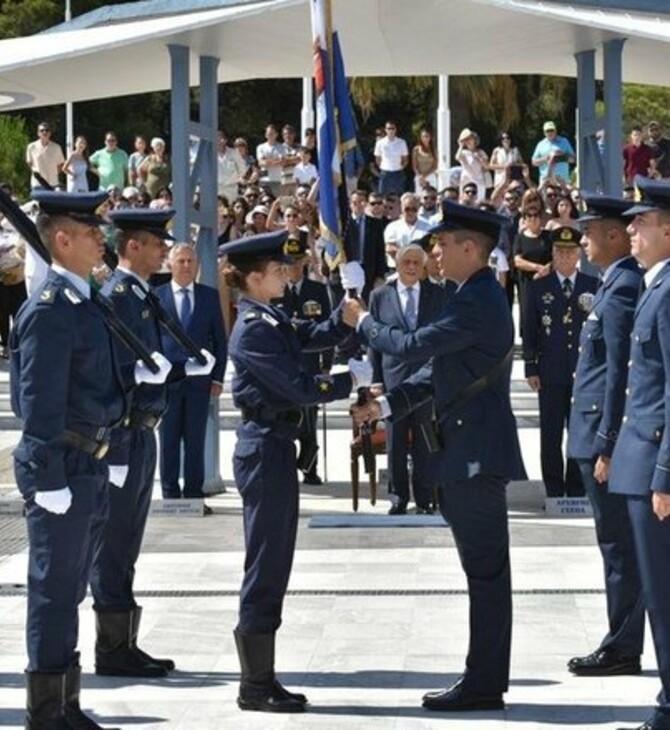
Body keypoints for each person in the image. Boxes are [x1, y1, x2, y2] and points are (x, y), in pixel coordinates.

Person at [344, 200, 526, 712]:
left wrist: (363, 323)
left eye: (443, 244)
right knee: (484, 571)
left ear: (472, 247)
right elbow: (440, 374)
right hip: (466, 447)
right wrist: (384, 404)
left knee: (487, 572)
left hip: (475, 453)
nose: (435, 253)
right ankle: (484, 677)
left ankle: (484, 682)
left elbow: (412, 347)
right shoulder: (470, 295)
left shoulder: (478, 299)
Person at [218, 230, 368, 713]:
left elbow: (306, 338)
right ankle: (254, 684)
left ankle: (263, 676)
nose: (288, 276)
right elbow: (298, 385)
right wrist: (348, 380)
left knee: (275, 560)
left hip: (275, 445)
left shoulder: (269, 316)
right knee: (265, 563)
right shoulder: (255, 327)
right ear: (256, 278)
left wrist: (343, 320)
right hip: (264, 447)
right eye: (279, 272)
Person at [9, 190, 137, 729]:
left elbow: (94, 388)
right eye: (91, 233)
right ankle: (46, 712)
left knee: (72, 590)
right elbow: (37, 402)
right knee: (54, 592)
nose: (101, 240)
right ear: (62, 240)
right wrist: (46, 476)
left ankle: (66, 702)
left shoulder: (84, 300)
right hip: (62, 466)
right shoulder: (50, 311)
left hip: (88, 463)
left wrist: (109, 449)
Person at [89, 208, 216, 678]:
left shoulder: (142, 295)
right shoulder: (119, 296)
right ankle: (111, 648)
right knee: (114, 542)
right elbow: (110, 370)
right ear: (132, 247)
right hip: (124, 435)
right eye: (156, 242)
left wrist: (184, 367)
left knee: (128, 542)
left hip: (144, 429)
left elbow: (150, 361)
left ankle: (124, 641)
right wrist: (118, 446)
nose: (166, 250)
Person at [566, 194, 645, 679]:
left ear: (615, 236)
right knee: (614, 544)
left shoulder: (621, 289)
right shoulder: (611, 283)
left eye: (589, 232)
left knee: (620, 547)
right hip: (591, 430)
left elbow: (621, 374)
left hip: (602, 435)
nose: (581, 240)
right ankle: (623, 640)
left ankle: (622, 646)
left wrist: (608, 443)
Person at [609, 177, 670, 730]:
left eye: (642, 222)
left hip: (655, 463)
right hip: (639, 457)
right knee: (657, 592)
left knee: (664, 593)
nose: (631, 230)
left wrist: (666, 474)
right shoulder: (655, 285)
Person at [367, 243, 450, 514]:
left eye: (417, 262)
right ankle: (398, 498)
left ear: (424, 265)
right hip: (393, 378)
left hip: (427, 379)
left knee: (426, 441)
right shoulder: (380, 296)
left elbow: (441, 337)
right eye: (407, 263)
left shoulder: (437, 294)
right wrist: (376, 378)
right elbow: (373, 341)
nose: (412, 267)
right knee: (396, 442)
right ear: (398, 265)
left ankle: (425, 499)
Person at [523, 226, 598, 498]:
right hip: (550, 370)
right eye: (560, 251)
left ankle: (577, 490)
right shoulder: (539, 286)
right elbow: (529, 329)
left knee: (579, 433)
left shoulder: (593, 285)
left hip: (583, 372)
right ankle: (554, 490)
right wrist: (531, 366)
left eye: (570, 251)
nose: (565, 256)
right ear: (553, 254)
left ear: (579, 254)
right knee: (551, 435)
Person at [156, 243, 228, 503]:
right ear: (170, 265)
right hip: (169, 383)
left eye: (190, 261)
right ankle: (170, 496)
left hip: (200, 383)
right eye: (181, 261)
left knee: (196, 440)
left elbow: (220, 339)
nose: (186, 266)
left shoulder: (209, 296)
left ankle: (194, 496)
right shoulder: (158, 296)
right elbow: (152, 341)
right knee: (169, 440)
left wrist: (218, 376)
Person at [278, 234, 333, 486]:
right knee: (286, 420)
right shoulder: (276, 291)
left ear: (304, 264)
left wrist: (327, 364)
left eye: (297, 262)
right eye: (288, 263)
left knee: (309, 421)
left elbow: (327, 328)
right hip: (284, 367)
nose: (292, 268)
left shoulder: (317, 290)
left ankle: (310, 469)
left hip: (310, 365)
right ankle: (286, 468)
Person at [531, 121, 576, 185]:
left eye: (552, 130)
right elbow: (534, 162)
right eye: (547, 131)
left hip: (562, 180)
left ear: (555, 130)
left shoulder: (564, 141)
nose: (550, 133)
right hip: (546, 181)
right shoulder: (540, 144)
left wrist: (561, 156)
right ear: (544, 132)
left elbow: (573, 159)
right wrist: (546, 158)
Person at [25, 121, 65, 189]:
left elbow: (61, 164)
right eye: (42, 130)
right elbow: (29, 163)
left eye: (47, 130)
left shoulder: (57, 147)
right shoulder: (31, 147)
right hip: (37, 183)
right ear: (38, 133)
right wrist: (36, 173)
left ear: (50, 133)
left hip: (52, 184)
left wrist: (53, 173)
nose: (44, 132)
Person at [374, 120, 408, 195]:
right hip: (385, 173)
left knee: (399, 195)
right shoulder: (380, 143)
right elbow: (377, 159)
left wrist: (399, 167)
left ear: (396, 129)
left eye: (392, 128)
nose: (391, 130)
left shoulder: (402, 142)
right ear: (385, 130)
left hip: (398, 173)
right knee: (383, 196)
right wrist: (383, 167)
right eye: (389, 128)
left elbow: (405, 159)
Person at [455, 128, 489, 201]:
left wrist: (479, 158)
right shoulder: (464, 153)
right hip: (466, 180)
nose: (468, 142)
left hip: (478, 180)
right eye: (467, 140)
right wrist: (460, 145)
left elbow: (486, 166)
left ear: (475, 140)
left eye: (470, 139)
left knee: (479, 201)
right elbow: (457, 157)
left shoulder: (481, 152)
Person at [217, 130, 248, 202]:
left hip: (231, 188)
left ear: (225, 140)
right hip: (217, 188)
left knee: (230, 210)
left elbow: (242, 169)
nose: (219, 141)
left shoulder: (234, 153)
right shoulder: (210, 153)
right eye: (217, 138)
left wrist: (236, 177)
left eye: (220, 138)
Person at [411, 125, 438, 193]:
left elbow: (435, 166)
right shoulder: (416, 149)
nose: (425, 138)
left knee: (432, 194)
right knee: (419, 195)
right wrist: (420, 176)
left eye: (427, 136)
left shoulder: (434, 150)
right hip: (419, 176)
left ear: (430, 137)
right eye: (423, 136)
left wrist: (425, 175)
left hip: (430, 175)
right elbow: (415, 165)